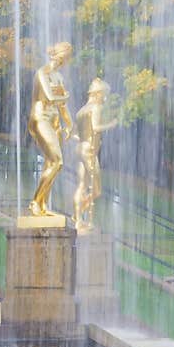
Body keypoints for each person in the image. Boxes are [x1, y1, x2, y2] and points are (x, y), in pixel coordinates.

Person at [27, 41, 74, 217]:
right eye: (67, 57)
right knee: (57, 162)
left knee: (50, 163)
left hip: (54, 121)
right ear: (62, 56)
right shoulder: (42, 73)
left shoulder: (58, 77)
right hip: (40, 118)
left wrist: (69, 124)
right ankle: (34, 201)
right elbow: (49, 97)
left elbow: (62, 106)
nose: (67, 61)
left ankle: (43, 204)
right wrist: (64, 97)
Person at [72, 78, 117, 232]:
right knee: (96, 189)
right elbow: (96, 127)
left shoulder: (81, 111)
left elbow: (75, 135)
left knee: (82, 185)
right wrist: (111, 124)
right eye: (104, 95)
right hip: (90, 151)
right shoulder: (96, 108)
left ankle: (78, 219)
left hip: (80, 148)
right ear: (98, 94)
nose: (104, 98)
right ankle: (80, 213)